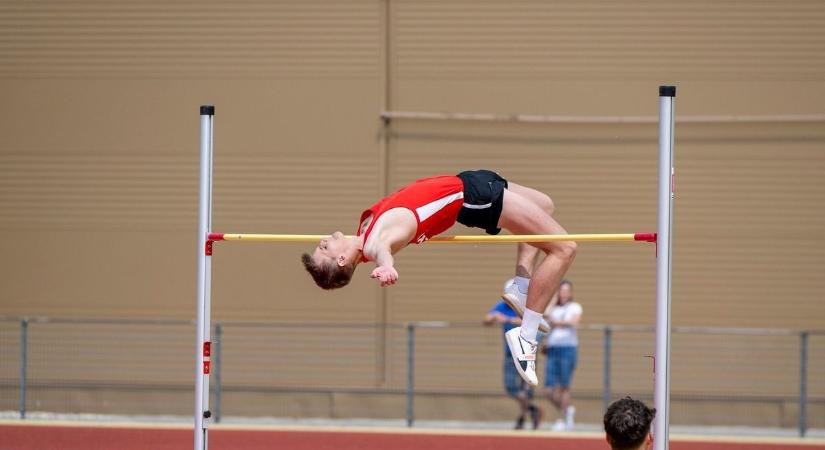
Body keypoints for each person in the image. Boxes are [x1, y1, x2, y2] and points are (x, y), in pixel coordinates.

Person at [301, 170, 576, 386]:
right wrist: (387, 266)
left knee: (544, 204)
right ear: (340, 260)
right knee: (564, 248)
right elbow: (382, 251)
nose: (324, 240)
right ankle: (525, 336)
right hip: (473, 197)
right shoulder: (373, 244)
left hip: (467, 181)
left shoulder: (363, 228)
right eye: (324, 247)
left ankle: (521, 287)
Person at [484, 300, 543, 430]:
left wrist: (506, 319)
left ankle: (522, 418)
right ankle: (532, 409)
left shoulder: (526, 307)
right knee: (511, 386)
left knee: (526, 389)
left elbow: (530, 323)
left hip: (525, 353)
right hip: (510, 353)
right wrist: (494, 317)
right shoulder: (502, 305)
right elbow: (487, 319)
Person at [542, 279, 582, 430]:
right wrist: (553, 299)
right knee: (548, 389)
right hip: (552, 349)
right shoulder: (554, 308)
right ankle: (567, 411)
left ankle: (562, 419)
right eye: (561, 291)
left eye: (566, 291)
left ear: (571, 293)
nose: (564, 294)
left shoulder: (575, 307)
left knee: (564, 387)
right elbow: (546, 316)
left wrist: (555, 322)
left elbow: (574, 322)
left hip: (568, 348)